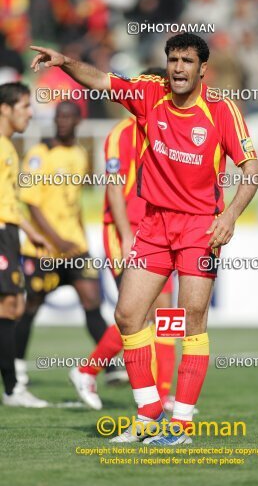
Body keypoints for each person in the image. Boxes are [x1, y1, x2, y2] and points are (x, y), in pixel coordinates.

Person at [31, 32, 258, 445]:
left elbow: (252, 171)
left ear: (202, 69)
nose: (177, 69)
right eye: (173, 60)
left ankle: (182, 425)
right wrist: (64, 60)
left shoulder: (221, 110)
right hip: (153, 226)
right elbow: (101, 80)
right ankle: (149, 413)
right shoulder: (150, 92)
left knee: (191, 321)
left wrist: (230, 215)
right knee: (127, 315)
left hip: (199, 228)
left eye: (187, 62)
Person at [70, 68, 177, 412]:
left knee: (165, 312)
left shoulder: (167, 130)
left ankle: (164, 393)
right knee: (139, 310)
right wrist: (127, 235)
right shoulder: (121, 133)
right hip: (126, 233)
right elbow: (115, 188)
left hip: (157, 231)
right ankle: (87, 370)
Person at [15, 101, 108, 385]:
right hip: (44, 249)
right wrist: (57, 241)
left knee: (92, 300)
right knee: (30, 307)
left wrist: (80, 239)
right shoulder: (39, 154)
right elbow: (32, 204)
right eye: (59, 117)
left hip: (75, 247)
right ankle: (17, 366)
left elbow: (75, 204)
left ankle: (110, 363)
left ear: (79, 121)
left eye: (68, 117)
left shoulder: (80, 154)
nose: (62, 121)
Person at [0, 82, 50, 407]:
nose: (31, 113)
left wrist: (29, 230)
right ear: (5, 108)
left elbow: (11, 200)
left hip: (10, 232)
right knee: (10, 305)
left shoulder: (8, 147)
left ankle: (12, 387)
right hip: (2, 231)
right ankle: (12, 390)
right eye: (24, 107)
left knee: (13, 306)